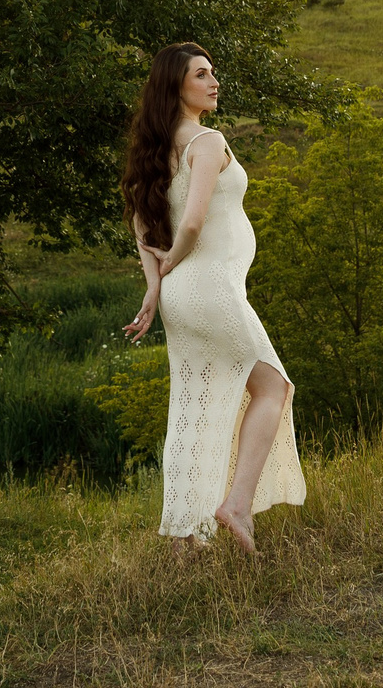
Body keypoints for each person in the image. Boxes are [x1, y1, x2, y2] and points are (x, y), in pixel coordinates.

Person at [121, 41, 304, 552]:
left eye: (212, 72)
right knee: (273, 388)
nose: (213, 82)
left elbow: (141, 222)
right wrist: (173, 261)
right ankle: (235, 506)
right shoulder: (207, 141)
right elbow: (193, 223)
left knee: (193, 407)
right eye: (201, 75)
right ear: (176, 86)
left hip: (183, 296)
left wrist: (156, 284)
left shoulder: (159, 148)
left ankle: (184, 533)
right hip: (209, 287)